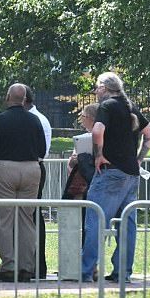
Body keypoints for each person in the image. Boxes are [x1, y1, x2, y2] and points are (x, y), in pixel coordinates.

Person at [81, 72, 150, 283]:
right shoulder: (128, 106)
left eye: (97, 87)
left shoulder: (107, 106)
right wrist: (139, 159)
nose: (96, 91)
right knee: (126, 223)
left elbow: (97, 131)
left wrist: (98, 155)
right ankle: (122, 272)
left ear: (105, 88)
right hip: (130, 173)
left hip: (110, 172)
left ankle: (86, 270)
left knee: (95, 220)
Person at [0, 83, 46, 283]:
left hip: (5, 169)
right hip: (31, 170)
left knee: (4, 219)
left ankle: (9, 266)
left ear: (8, 97)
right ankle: (27, 267)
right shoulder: (34, 120)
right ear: (25, 98)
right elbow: (42, 150)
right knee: (26, 219)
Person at [24, 87, 53, 278]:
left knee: (33, 217)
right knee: (33, 216)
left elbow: (41, 151)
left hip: (33, 166)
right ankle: (35, 264)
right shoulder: (38, 118)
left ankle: (36, 265)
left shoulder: (36, 120)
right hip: (34, 166)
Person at [63, 103, 99, 246]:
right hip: (80, 184)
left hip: (92, 183)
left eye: (83, 116)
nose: (81, 120)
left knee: (90, 222)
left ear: (91, 118)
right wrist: (73, 161)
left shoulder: (101, 137)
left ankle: (89, 260)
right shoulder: (82, 138)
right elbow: (71, 163)